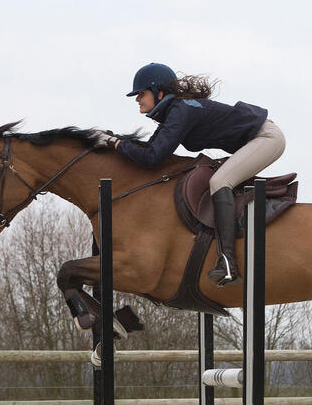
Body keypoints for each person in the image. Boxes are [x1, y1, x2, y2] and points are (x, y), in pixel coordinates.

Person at [95, 63, 286, 287]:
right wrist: (116, 141)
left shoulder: (181, 110)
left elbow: (153, 157)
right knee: (219, 179)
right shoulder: (176, 110)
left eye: (141, 93)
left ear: (160, 92)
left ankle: (227, 262)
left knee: (219, 181)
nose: (137, 99)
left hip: (266, 138)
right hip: (257, 139)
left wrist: (115, 143)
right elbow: (151, 151)